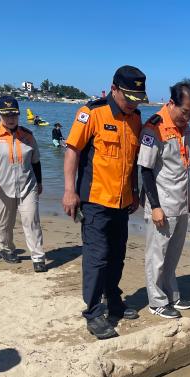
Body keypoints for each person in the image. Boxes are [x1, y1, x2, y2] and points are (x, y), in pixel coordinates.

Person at [62, 65, 147, 339]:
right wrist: (69, 191)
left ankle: (114, 299)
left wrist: (134, 190)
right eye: (129, 98)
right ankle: (93, 312)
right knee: (97, 258)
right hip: (95, 201)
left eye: (138, 99)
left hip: (122, 201)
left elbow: (132, 161)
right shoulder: (92, 113)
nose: (133, 104)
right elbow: (73, 151)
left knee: (117, 256)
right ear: (114, 89)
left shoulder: (136, 118)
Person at [138, 79, 190, 319]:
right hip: (162, 203)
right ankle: (156, 301)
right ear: (172, 103)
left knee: (173, 254)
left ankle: (171, 294)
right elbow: (145, 170)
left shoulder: (185, 127)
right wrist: (154, 206)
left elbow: (185, 165)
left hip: (181, 201)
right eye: (185, 111)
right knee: (157, 255)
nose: (188, 117)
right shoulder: (154, 127)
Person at [0, 95, 47, 272]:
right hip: (1, 187)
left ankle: (38, 257)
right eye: (6, 115)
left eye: (14, 114)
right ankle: (7, 249)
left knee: (32, 220)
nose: (11, 118)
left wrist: (39, 182)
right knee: (5, 222)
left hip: (28, 186)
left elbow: (36, 161)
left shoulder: (28, 136)